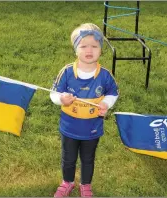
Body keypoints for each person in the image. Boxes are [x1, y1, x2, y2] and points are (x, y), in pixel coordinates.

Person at [50, 23, 119, 198]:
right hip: (69, 127)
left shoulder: (105, 75)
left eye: (94, 46)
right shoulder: (66, 73)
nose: (89, 50)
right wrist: (61, 99)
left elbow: (113, 92)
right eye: (83, 46)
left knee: (88, 159)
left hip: (92, 129)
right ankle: (67, 182)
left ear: (101, 50)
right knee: (68, 158)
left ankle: (86, 185)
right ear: (76, 50)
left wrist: (106, 103)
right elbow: (53, 93)